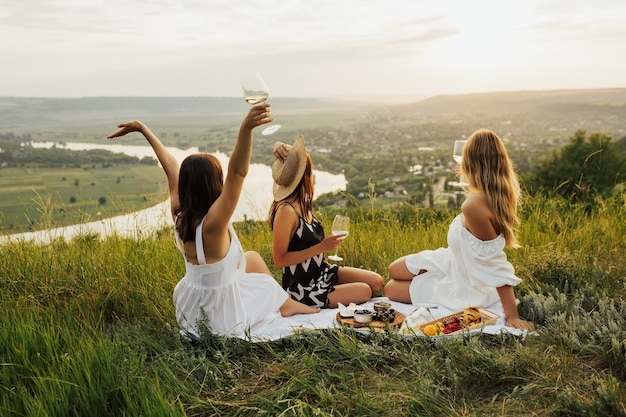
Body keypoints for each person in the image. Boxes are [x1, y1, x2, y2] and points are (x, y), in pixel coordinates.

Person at [106, 103, 319, 339]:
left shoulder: (179, 215)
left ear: (186, 185)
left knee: (252, 258)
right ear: (214, 183)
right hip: (223, 319)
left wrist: (143, 129)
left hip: (193, 312)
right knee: (267, 288)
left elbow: (170, 167)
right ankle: (286, 305)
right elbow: (238, 173)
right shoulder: (213, 225)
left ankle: (286, 304)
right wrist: (245, 128)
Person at [384, 128, 534, 331]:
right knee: (395, 268)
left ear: (471, 162)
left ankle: (434, 284)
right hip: (450, 260)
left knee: (391, 289)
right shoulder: (490, 193)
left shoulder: (474, 206)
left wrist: (512, 316)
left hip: (465, 280)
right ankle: (428, 278)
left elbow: (494, 262)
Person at [269, 135, 383, 309]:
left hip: (322, 272)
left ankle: (333, 291)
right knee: (364, 291)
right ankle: (326, 296)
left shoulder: (302, 204)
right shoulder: (286, 211)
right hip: (302, 287)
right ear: (305, 175)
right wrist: (322, 247)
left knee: (376, 281)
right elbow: (279, 260)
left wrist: (280, 145)